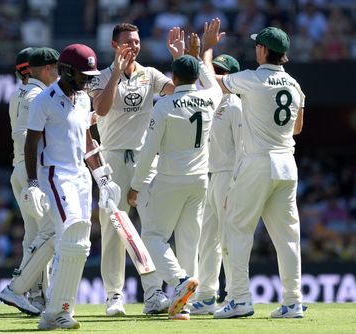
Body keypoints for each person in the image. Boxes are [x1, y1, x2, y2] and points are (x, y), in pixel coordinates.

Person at [201, 20, 306, 319]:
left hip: (257, 162)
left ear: (262, 50)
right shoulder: (295, 85)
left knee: (236, 227)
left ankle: (239, 299)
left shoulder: (252, 78)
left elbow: (212, 81)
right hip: (287, 162)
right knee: (287, 237)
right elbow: (297, 128)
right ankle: (293, 301)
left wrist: (207, 49)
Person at [127, 28, 223, 320]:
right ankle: (184, 304)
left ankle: (180, 282)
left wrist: (135, 185)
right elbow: (210, 82)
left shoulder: (165, 104)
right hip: (199, 180)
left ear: (174, 78)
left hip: (170, 178)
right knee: (188, 241)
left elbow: (148, 150)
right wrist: (193, 57)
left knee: (153, 235)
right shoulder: (211, 98)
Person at [23, 43, 121, 330]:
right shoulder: (44, 100)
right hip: (55, 175)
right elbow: (31, 142)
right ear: (65, 71)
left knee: (81, 245)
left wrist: (103, 177)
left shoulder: (82, 99)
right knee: (73, 235)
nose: (88, 80)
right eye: (83, 74)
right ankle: (57, 311)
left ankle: (59, 311)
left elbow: (88, 141)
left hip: (80, 176)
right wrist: (32, 183)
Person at [88, 22, 175, 316]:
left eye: (136, 41)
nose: (133, 46)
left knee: (151, 227)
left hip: (145, 159)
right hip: (111, 159)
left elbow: (177, 90)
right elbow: (100, 110)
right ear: (114, 45)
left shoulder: (150, 75)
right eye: (127, 42)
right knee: (114, 230)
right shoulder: (100, 77)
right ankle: (114, 296)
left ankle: (153, 293)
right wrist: (115, 72)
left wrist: (181, 58)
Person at [0, 47, 60, 315]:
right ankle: (19, 288)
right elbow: (28, 138)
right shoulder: (38, 95)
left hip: (20, 170)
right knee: (51, 233)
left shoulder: (18, 93)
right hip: (33, 170)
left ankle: (35, 295)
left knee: (34, 235)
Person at [190, 53, 243, 315]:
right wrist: (191, 55)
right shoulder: (211, 102)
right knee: (206, 240)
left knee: (227, 240)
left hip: (227, 176)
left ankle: (234, 294)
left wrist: (235, 184)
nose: (215, 75)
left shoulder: (234, 105)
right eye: (215, 70)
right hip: (209, 176)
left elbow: (243, 149)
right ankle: (206, 295)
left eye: (222, 71)